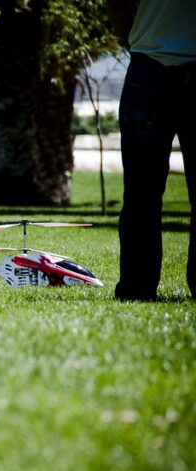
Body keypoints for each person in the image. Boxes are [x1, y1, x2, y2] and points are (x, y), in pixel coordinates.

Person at [106, 0, 196, 300]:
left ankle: (136, 288)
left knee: (141, 193)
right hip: (153, 62)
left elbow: (117, 5)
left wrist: (134, 43)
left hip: (150, 63)